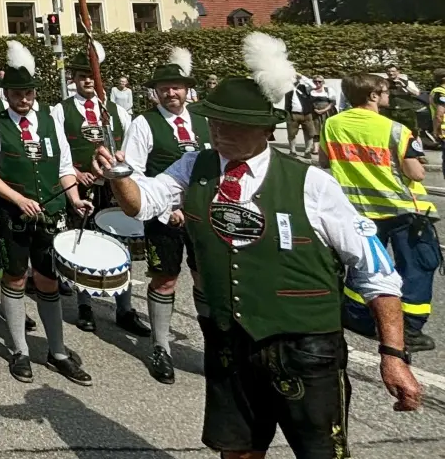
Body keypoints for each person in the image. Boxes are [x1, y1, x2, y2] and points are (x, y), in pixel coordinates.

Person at [101, 34, 424, 458]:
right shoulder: (193, 166)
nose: (219, 132)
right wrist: (119, 175)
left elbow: (376, 271)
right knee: (236, 451)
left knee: (321, 453)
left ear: (266, 129)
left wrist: (393, 354)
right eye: (215, 122)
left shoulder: (312, 184)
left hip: (305, 347)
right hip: (229, 342)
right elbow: (142, 204)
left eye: (232, 124)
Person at [0, 42, 94, 385]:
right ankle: (20, 351)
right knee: (15, 278)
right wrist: (18, 198)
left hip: (51, 215)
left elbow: (65, 167)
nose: (23, 98)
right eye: (17, 93)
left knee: (48, 280)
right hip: (12, 216)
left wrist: (74, 199)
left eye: (28, 92)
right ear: (6, 94)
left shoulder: (50, 121)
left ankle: (57, 352)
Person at [322, 72, 437, 353]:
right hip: (401, 210)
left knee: (366, 263)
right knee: (418, 265)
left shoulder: (332, 124)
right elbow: (416, 174)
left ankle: (357, 315)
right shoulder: (395, 129)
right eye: (385, 91)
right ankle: (410, 327)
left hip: (357, 210)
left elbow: (325, 160)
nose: (388, 96)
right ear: (373, 95)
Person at [120, 46, 209, 384]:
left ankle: (214, 347)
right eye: (164, 88)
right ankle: (161, 347)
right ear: (155, 92)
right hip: (164, 215)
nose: (171, 93)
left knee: (206, 278)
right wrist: (167, 208)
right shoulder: (144, 123)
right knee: (165, 279)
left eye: (177, 87)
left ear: (187, 90)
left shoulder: (202, 120)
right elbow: (134, 172)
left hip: (204, 217)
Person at [50, 45, 145, 336]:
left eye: (91, 75)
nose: (88, 81)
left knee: (120, 243)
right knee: (84, 245)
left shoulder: (117, 111)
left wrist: (119, 173)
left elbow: (131, 149)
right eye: (82, 76)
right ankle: (85, 307)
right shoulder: (61, 110)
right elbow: (58, 149)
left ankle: (125, 308)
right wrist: (76, 172)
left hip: (114, 189)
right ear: (74, 79)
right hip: (81, 186)